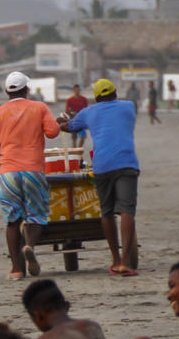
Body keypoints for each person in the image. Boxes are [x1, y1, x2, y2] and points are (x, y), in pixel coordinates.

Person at [59, 78, 140, 275]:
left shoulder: (89, 112)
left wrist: (60, 122)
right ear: (115, 93)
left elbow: (69, 127)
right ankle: (126, 262)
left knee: (107, 212)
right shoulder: (129, 106)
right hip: (127, 163)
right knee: (127, 211)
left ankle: (115, 260)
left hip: (102, 165)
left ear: (96, 97)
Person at [0, 72, 60, 280]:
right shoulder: (39, 108)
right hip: (33, 170)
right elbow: (53, 132)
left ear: (6, 91)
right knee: (36, 214)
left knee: (12, 220)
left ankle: (16, 269)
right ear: (27, 89)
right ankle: (29, 245)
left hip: (8, 172)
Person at [63, 84, 89, 149]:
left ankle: (79, 149)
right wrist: (67, 118)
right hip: (73, 120)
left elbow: (86, 110)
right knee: (74, 138)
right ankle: (74, 151)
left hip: (81, 121)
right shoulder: (70, 100)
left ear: (79, 90)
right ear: (74, 90)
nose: (77, 91)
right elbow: (67, 111)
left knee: (83, 136)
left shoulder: (83, 99)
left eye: (78, 90)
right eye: (76, 90)